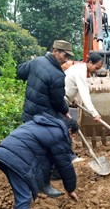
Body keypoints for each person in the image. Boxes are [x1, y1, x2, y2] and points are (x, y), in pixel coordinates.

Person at [0, 114, 80, 209]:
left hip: (6, 152)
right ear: (70, 131)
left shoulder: (46, 125)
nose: (72, 140)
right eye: (74, 137)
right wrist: (70, 188)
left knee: (24, 193)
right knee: (24, 197)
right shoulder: (59, 135)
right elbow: (64, 165)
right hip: (16, 157)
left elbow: (45, 160)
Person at [17, 39, 74, 197]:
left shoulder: (37, 62)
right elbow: (57, 101)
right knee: (55, 141)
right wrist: (65, 110)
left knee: (34, 148)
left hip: (29, 114)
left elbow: (20, 71)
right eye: (64, 55)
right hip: (43, 119)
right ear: (55, 51)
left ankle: (32, 175)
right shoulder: (57, 75)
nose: (66, 59)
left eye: (68, 56)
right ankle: (46, 181)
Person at [65, 52, 104, 122]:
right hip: (61, 101)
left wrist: (73, 98)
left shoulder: (78, 68)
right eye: (96, 67)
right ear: (90, 62)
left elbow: (71, 85)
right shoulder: (80, 72)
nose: (96, 71)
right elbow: (85, 94)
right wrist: (94, 113)